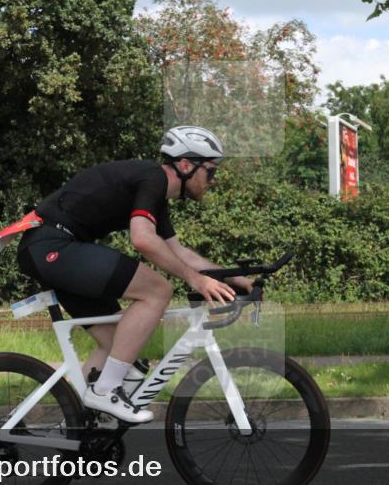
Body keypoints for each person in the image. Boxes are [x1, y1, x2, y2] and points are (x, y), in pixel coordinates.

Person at [16, 126, 253, 423]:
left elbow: (180, 252)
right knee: (158, 290)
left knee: (119, 349)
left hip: (55, 247)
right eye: (211, 172)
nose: (212, 181)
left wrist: (233, 277)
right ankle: (105, 391)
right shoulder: (151, 178)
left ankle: (77, 428)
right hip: (52, 245)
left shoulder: (154, 195)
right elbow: (142, 239)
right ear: (185, 165)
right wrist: (194, 279)